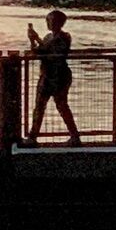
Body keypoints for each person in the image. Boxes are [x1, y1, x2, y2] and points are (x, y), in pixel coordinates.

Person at [26, 9, 80, 143]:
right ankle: (33, 137)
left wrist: (37, 39)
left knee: (61, 105)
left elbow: (50, 53)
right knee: (39, 106)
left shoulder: (64, 37)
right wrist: (33, 40)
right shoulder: (48, 37)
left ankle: (74, 136)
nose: (48, 23)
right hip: (47, 74)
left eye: (49, 20)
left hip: (59, 76)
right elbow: (37, 52)